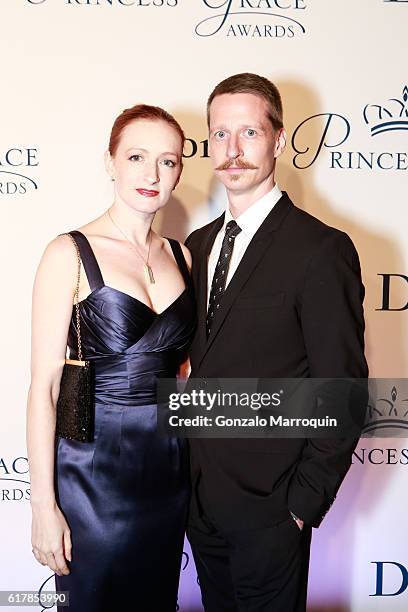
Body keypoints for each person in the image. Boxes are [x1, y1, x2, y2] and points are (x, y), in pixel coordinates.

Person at [185, 73, 368, 612]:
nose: (233, 151)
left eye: (249, 133)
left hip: (272, 509)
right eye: (220, 135)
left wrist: (300, 505)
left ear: (279, 140)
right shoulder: (197, 245)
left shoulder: (320, 250)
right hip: (200, 504)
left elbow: (343, 388)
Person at [27, 104, 195, 612]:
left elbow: (182, 374)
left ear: (180, 171)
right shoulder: (68, 252)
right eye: (137, 156)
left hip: (167, 473)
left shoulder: (183, 256)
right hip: (92, 475)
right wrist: (43, 507)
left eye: (168, 161)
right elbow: (43, 388)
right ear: (110, 162)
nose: (152, 174)